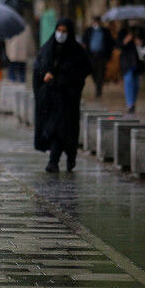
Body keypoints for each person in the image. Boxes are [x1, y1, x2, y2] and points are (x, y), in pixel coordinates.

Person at [33, 18, 91, 173]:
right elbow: (38, 67)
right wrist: (44, 76)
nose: (61, 34)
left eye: (65, 31)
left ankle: (65, 159)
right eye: (59, 30)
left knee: (65, 130)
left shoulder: (76, 52)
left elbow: (82, 71)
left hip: (68, 99)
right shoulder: (48, 48)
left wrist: (62, 80)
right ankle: (54, 161)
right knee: (55, 129)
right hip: (50, 99)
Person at [117, 22, 145, 113]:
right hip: (127, 62)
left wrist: (139, 42)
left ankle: (133, 102)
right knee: (128, 81)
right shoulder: (123, 32)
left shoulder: (141, 31)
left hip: (138, 61)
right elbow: (118, 45)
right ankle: (130, 104)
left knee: (135, 84)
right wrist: (126, 40)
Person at [82, 16, 114, 97]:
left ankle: (98, 88)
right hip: (91, 55)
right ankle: (97, 83)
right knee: (93, 71)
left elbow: (110, 42)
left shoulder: (105, 31)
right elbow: (84, 41)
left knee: (101, 72)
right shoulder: (88, 31)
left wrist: (109, 53)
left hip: (102, 55)